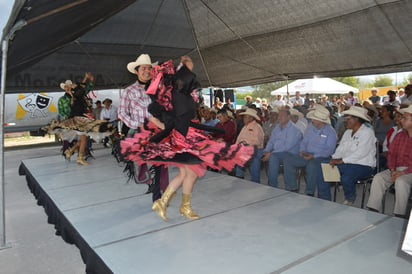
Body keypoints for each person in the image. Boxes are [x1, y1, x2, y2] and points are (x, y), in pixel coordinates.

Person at [121, 57, 254, 221]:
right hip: (177, 136)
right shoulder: (172, 94)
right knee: (188, 172)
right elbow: (169, 112)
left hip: (180, 135)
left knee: (189, 173)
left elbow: (180, 112)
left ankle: (169, 203)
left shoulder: (174, 95)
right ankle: (172, 204)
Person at [367, 105, 412, 218]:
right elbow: (392, 154)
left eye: (405, 118)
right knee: (378, 178)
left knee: (401, 181)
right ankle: (373, 210)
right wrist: (392, 169)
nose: (401, 120)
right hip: (397, 169)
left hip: (409, 171)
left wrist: (402, 172)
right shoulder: (400, 135)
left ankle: (399, 215)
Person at [283, 105, 337, 198]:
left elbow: (329, 150)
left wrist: (314, 156)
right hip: (306, 154)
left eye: (314, 119)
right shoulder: (310, 127)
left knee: (312, 165)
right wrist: (302, 150)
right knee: (288, 159)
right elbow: (304, 141)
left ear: (321, 121)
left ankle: (310, 192)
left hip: (321, 157)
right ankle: (292, 187)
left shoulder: (330, 132)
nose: (312, 120)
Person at [329, 106, 376, 205]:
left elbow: (361, 153)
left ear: (356, 119)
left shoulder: (367, 133)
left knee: (346, 177)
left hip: (363, 165)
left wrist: (341, 161)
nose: (345, 120)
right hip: (347, 163)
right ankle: (325, 195)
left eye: (348, 118)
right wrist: (333, 158)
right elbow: (340, 149)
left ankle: (350, 198)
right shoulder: (347, 132)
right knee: (325, 166)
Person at [262, 109, 302, 190]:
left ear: (288, 117)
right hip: (278, 153)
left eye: (282, 116)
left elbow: (287, 146)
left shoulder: (294, 130)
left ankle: (275, 185)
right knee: (266, 155)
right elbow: (271, 141)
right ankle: (272, 184)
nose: (279, 118)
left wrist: (271, 153)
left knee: (273, 157)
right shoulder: (277, 127)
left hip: (291, 153)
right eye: (279, 116)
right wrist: (267, 150)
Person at [234, 108, 264, 183]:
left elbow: (257, 141)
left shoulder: (257, 127)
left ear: (251, 118)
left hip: (256, 149)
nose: (244, 119)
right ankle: (239, 175)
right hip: (245, 148)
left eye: (246, 117)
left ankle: (254, 180)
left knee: (250, 157)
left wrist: (245, 142)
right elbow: (238, 139)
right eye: (244, 117)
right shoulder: (245, 127)